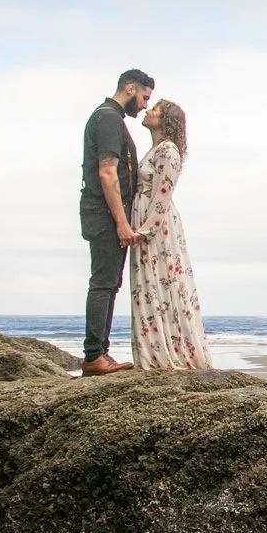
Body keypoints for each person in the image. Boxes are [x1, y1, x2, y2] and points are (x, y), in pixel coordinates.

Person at [80, 69, 154, 375]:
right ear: (130, 87)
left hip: (103, 213)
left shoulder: (110, 118)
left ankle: (99, 352)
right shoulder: (109, 118)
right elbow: (107, 173)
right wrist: (122, 223)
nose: (145, 105)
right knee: (104, 283)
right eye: (144, 97)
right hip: (105, 214)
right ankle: (95, 354)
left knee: (109, 283)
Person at [129, 99, 212, 370]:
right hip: (147, 220)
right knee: (150, 284)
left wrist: (145, 231)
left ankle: (167, 352)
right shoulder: (156, 149)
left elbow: (164, 191)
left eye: (155, 110)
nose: (148, 111)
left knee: (159, 281)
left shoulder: (167, 150)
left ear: (165, 120)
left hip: (156, 226)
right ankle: (156, 349)